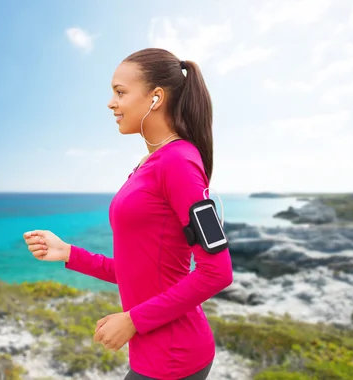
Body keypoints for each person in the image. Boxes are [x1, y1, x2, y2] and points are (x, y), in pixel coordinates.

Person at [23, 47, 233, 380]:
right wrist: (68, 253)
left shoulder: (179, 162)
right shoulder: (148, 165)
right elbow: (141, 271)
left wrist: (132, 320)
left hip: (175, 359)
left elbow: (217, 272)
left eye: (120, 92)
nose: (111, 103)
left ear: (156, 97)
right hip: (152, 357)